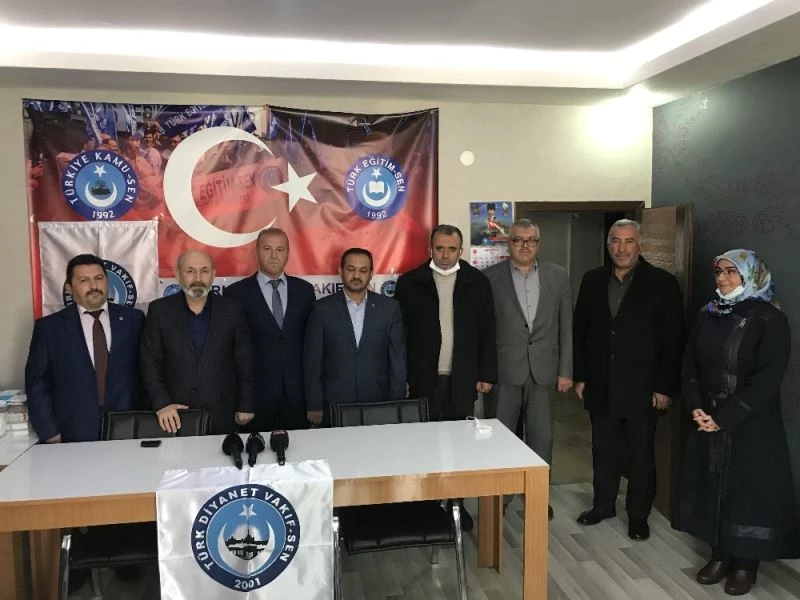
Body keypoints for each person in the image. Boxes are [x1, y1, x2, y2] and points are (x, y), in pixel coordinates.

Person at [673, 250, 799, 595]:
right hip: (708, 417)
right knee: (713, 485)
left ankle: (745, 563)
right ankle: (720, 554)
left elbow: (767, 380)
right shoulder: (708, 314)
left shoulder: (770, 319)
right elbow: (690, 364)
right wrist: (696, 407)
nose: (723, 278)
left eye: (732, 271)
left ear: (752, 275)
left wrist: (724, 417)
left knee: (747, 491)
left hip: (751, 422)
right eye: (719, 272)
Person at [572, 219, 684, 541]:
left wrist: (664, 387)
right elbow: (580, 330)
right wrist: (580, 375)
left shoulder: (662, 283)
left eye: (629, 241)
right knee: (603, 450)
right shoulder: (592, 279)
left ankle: (638, 516)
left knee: (640, 454)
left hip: (643, 387)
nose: (621, 248)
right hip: (601, 383)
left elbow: (673, 339)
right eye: (616, 241)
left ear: (640, 245)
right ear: (608, 245)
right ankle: (603, 505)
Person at [395, 224, 497, 532]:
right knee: (423, 444)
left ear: (460, 250)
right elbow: (400, 335)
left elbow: (487, 331)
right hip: (423, 378)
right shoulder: (410, 282)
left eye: (451, 249)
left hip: (462, 378)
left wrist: (486, 373)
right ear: (430, 249)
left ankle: (456, 503)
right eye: (439, 248)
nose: (445, 254)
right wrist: (403, 376)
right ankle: (425, 506)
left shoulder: (477, 282)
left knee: (459, 446)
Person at [483, 219, 572, 520]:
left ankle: (537, 497)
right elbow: (484, 331)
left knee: (541, 439)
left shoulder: (558, 276)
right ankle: (501, 497)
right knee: (500, 439)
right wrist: (484, 372)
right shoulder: (490, 277)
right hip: (503, 372)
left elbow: (566, 327)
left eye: (531, 240)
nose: (525, 245)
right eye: (518, 240)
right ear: (508, 243)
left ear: (538, 243)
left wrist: (566, 370)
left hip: (544, 371)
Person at [25, 254, 145, 443]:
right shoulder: (49, 328)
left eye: (99, 278)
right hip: (73, 432)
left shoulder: (134, 320)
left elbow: (148, 371)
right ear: (69, 288)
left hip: (128, 428)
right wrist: (49, 432)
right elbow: (37, 384)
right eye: (84, 280)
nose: (94, 286)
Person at [140, 250, 254, 435]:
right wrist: (161, 403)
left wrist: (245, 404)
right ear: (178, 275)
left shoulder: (232, 311)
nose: (198, 278)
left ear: (213, 274)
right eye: (190, 271)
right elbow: (149, 362)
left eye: (204, 270)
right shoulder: (159, 311)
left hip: (223, 414)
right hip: (174, 416)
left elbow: (245, 362)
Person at [226, 228, 316, 431]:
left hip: (297, 398)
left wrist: (313, 400)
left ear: (288, 253)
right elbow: (231, 352)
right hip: (255, 399)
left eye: (280, 249)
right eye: (267, 249)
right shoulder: (235, 294)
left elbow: (312, 347)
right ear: (256, 251)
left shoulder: (305, 291)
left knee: (300, 451)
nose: (274, 255)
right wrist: (242, 401)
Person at [304, 248, 406, 426]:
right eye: (351, 269)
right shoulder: (321, 310)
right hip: (335, 403)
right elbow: (313, 362)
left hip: (378, 402)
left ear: (371, 274)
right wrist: (314, 404)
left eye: (363, 270)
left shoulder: (389, 309)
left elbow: (397, 360)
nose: (357, 275)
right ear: (340, 271)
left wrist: (395, 404)